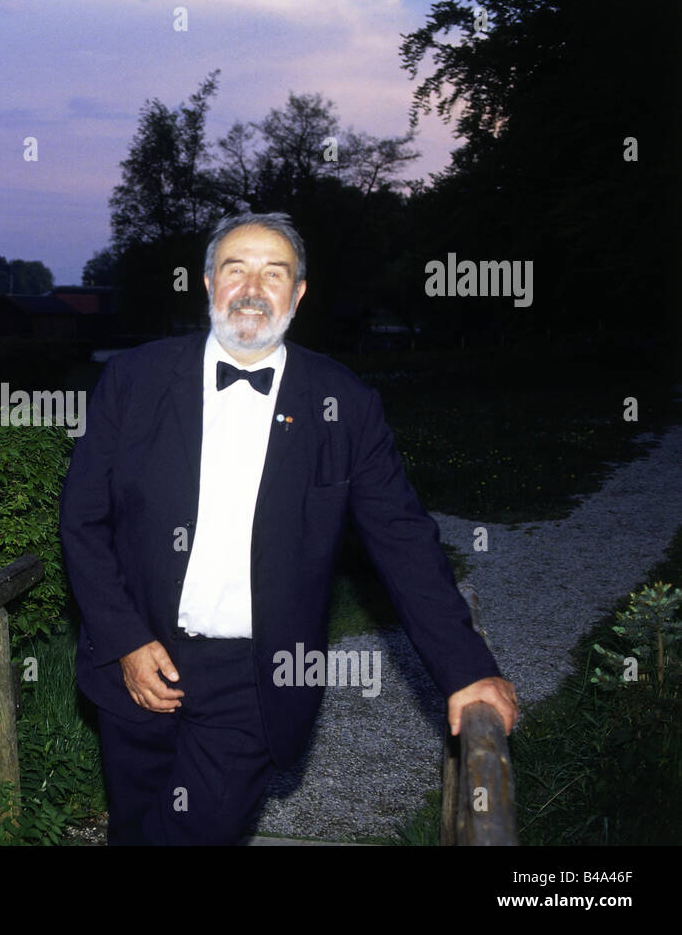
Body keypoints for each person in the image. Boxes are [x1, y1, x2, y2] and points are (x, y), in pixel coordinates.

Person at [59, 210, 518, 845]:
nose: (252, 289)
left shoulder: (345, 404)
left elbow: (404, 539)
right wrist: (126, 641)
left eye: (273, 273)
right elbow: (82, 520)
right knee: (136, 827)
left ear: (298, 294)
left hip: (252, 675)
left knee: (201, 830)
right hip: (135, 659)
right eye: (235, 269)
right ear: (207, 283)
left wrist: (466, 668)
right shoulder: (132, 380)